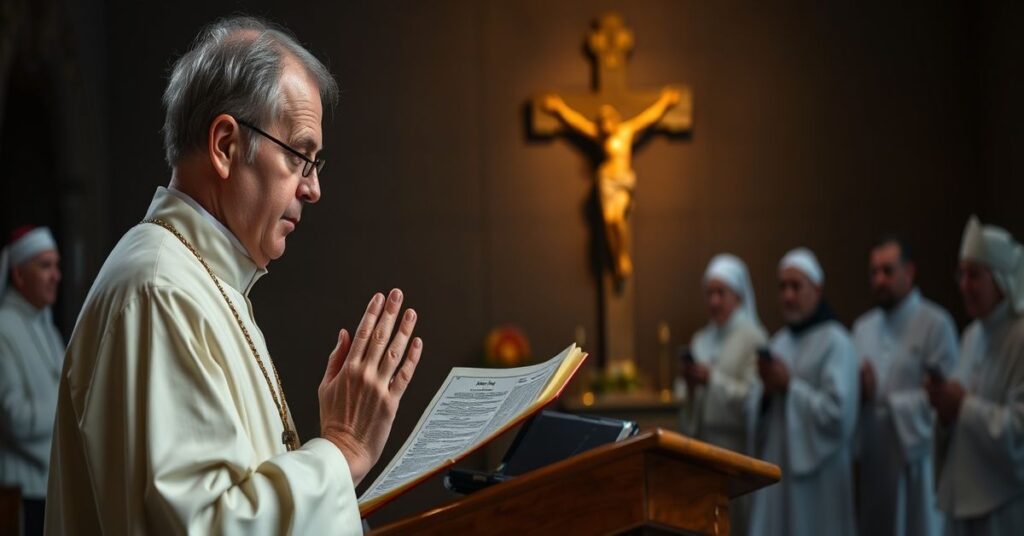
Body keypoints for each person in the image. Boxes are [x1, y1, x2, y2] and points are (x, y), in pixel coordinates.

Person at [45, 17, 423, 535]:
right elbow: (208, 525)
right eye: (299, 156)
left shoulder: (198, 278)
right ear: (224, 145)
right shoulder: (161, 291)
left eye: (315, 164)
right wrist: (342, 450)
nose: (312, 189)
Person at [748, 247, 858, 536]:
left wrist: (789, 386)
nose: (787, 296)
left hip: (821, 483)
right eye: (782, 287)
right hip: (780, 473)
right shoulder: (778, 342)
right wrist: (767, 395)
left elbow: (838, 416)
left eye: (796, 286)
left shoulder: (837, 342)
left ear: (817, 290)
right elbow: (757, 415)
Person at [852, 237, 956, 536]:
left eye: (887, 270)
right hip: (874, 463)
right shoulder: (862, 328)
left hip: (917, 464)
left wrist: (884, 400)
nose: (879, 279)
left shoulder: (936, 323)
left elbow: (946, 401)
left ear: (909, 272)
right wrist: (860, 393)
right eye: (873, 272)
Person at [929, 216, 1024, 535]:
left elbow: (1019, 431)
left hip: (1005, 504)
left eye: (974, 275)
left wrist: (963, 406)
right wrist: (944, 411)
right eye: (961, 274)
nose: (964, 285)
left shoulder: (1020, 337)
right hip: (965, 495)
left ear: (1001, 279)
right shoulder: (972, 336)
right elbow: (959, 409)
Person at [539, 87, 680, 281]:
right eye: (601, 122)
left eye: (607, 120)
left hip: (622, 181)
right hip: (607, 181)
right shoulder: (599, 136)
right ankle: (616, 260)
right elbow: (576, 122)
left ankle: (622, 256)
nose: (604, 125)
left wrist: (665, 102)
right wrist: (558, 109)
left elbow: (648, 118)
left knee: (616, 219)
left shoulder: (627, 131)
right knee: (607, 219)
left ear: (614, 120)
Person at [679, 253, 767, 536]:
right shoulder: (702, 339)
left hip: (736, 451)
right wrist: (692, 389)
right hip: (703, 449)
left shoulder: (753, 337)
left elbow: (753, 399)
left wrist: (712, 380)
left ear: (738, 296)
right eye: (709, 293)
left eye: (721, 293)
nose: (714, 301)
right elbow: (685, 399)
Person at [0, 226, 63, 536]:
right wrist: (66, 402)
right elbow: (13, 418)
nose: (56, 276)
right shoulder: (3, 328)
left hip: (49, 487)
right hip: (20, 491)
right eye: (45, 266)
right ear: (19, 275)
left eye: (56, 265)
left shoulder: (46, 326)